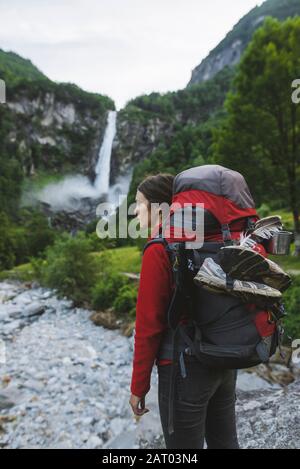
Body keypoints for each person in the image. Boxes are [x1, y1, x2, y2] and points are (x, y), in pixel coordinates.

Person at [128, 172, 256, 449]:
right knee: (225, 443)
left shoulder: (160, 248)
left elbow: (148, 327)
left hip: (183, 369)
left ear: (159, 207)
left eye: (138, 203)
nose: (135, 211)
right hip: (222, 359)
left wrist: (139, 387)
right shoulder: (213, 239)